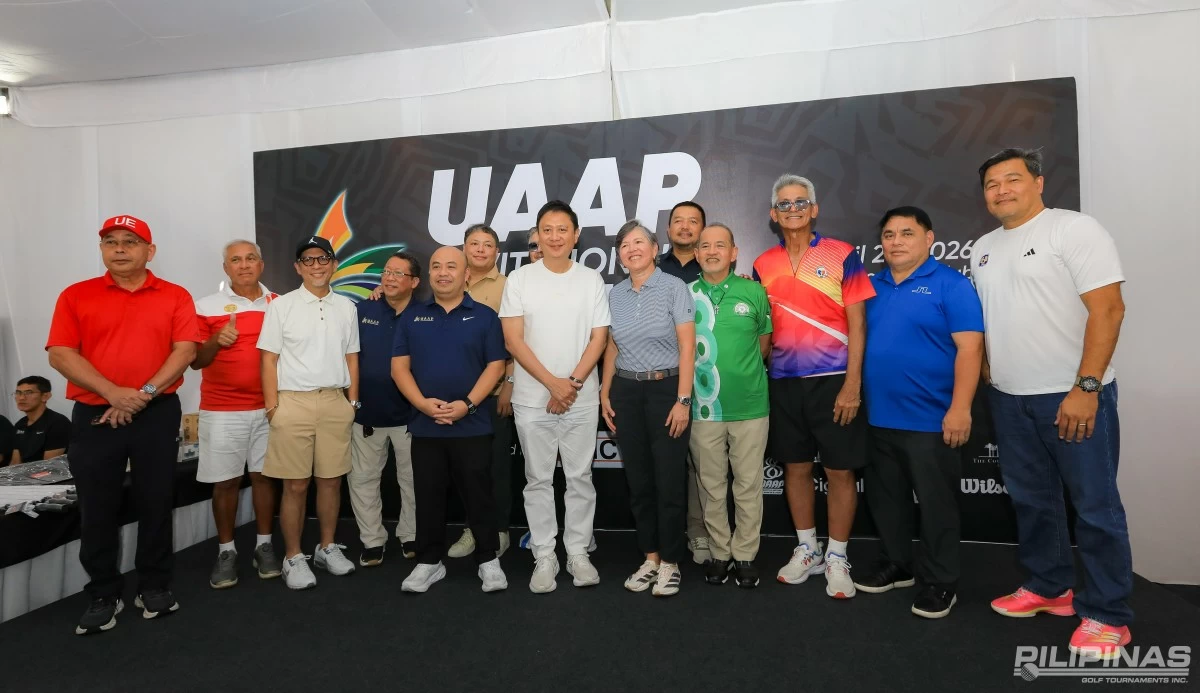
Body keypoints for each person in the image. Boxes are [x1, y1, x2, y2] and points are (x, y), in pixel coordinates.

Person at [972, 148, 1132, 658]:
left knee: (1095, 507)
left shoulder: (1074, 230)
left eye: (1012, 179)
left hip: (1073, 396)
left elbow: (1108, 309)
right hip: (1009, 401)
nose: (1002, 190)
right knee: (1033, 502)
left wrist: (1086, 388)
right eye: (992, 183)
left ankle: (1108, 614)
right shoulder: (982, 247)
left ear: (1039, 183)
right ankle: (1049, 587)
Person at [46, 214, 200, 634]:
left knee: (155, 501)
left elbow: (184, 351)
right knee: (97, 507)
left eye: (129, 242)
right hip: (95, 414)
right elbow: (60, 353)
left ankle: (153, 585)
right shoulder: (76, 295)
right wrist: (114, 393)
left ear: (149, 251)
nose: (119, 249)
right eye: (110, 242)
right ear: (101, 250)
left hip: (156, 412)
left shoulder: (174, 295)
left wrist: (141, 395)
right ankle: (102, 592)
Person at [855, 207, 984, 619]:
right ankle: (898, 564)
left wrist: (960, 408)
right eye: (889, 234)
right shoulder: (870, 287)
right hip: (877, 418)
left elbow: (971, 349)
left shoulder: (952, 284)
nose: (896, 241)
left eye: (907, 233)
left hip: (932, 420)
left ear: (929, 239)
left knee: (937, 506)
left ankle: (941, 582)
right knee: (886, 500)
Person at [752, 174, 875, 598]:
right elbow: (762, 332)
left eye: (800, 202)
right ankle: (808, 549)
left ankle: (838, 556)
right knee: (796, 468)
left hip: (835, 381)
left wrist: (853, 384)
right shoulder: (762, 264)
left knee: (840, 471)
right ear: (773, 214)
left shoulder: (842, 254)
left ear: (814, 208)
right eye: (783, 204)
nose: (792, 209)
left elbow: (858, 323)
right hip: (784, 383)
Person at [500, 200, 610, 593]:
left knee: (580, 477)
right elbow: (513, 339)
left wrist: (572, 384)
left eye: (563, 229)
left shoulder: (591, 280)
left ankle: (578, 552)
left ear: (576, 235)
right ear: (538, 235)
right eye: (547, 229)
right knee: (538, 479)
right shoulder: (519, 279)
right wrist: (553, 383)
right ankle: (544, 555)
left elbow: (599, 338)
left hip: (581, 397)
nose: (555, 236)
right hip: (533, 399)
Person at [392, 246, 508, 593]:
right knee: (427, 495)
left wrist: (468, 405)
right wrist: (423, 405)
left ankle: (488, 560)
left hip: (472, 423)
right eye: (436, 266)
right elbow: (399, 368)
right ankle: (429, 562)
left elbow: (496, 366)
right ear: (429, 275)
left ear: (466, 274)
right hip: (426, 425)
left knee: (479, 495)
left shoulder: (486, 316)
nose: (443, 272)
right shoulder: (412, 317)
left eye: (451, 267)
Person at [257, 236, 360, 590]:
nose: (317, 266)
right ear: (298, 267)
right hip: (292, 403)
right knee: (296, 484)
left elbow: (352, 357)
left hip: (335, 402)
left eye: (323, 259)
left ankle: (327, 547)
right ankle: (293, 557)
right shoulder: (281, 306)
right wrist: (273, 408)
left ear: (333, 264)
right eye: (309, 260)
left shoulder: (347, 307)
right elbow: (268, 359)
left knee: (331, 481)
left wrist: (352, 403)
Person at [600, 220, 695, 597]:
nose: (632, 248)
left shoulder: (675, 287)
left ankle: (671, 561)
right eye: (624, 244)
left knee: (668, 481)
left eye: (639, 242)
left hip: (667, 390)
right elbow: (611, 347)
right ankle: (651, 557)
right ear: (619, 255)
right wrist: (605, 393)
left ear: (655, 249)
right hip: (625, 391)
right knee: (638, 481)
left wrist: (683, 399)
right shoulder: (615, 294)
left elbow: (688, 347)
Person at [192, 240, 282, 588]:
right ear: (226, 268)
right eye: (235, 260)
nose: (244, 265)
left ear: (261, 264)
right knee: (226, 482)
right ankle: (226, 551)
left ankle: (264, 545)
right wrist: (216, 340)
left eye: (250, 258)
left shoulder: (281, 304)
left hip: (270, 409)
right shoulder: (204, 306)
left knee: (263, 478)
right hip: (221, 409)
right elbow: (195, 360)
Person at [687, 224, 772, 589]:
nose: (711, 251)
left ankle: (746, 555)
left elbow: (764, 344)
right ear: (695, 254)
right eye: (704, 246)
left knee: (749, 485)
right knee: (711, 485)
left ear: (734, 252)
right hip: (703, 408)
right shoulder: (684, 294)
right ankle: (721, 553)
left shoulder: (754, 291)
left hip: (751, 406)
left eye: (720, 245)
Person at [446, 224, 517, 560]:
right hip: (455, 398)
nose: (479, 250)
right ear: (464, 248)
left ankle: (499, 529)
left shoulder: (508, 287)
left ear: (497, 252)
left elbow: (516, 341)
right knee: (466, 469)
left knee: (496, 467)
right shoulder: (449, 284)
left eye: (487, 245)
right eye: (473, 243)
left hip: (493, 396)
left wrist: (510, 385)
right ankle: (472, 529)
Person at [348, 251, 421, 567]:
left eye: (399, 274)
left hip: (412, 416)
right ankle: (372, 541)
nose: (390, 278)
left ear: (415, 282)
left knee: (413, 480)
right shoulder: (361, 310)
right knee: (363, 481)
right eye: (387, 272)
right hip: (366, 415)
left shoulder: (426, 314)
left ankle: (411, 536)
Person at [656, 200, 710, 564]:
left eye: (694, 222)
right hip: (661, 379)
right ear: (669, 229)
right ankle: (664, 539)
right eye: (679, 221)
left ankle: (701, 533)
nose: (686, 227)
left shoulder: (715, 266)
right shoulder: (652, 268)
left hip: (708, 378)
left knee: (703, 464)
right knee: (666, 463)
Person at [10, 376, 71, 464]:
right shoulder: (20, 424)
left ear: (45, 396)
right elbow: (15, 463)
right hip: (23, 475)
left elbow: (50, 466)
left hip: (51, 475)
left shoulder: (58, 423)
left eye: (29, 393)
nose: (21, 398)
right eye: (18, 393)